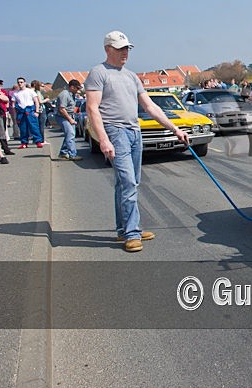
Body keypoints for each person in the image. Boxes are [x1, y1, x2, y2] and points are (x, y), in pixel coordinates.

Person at [85, 30, 190, 253]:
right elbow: (92, 109)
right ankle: (132, 233)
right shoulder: (98, 73)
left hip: (134, 131)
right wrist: (103, 139)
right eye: (120, 48)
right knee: (128, 182)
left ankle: (125, 228)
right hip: (116, 132)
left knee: (128, 183)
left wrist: (175, 129)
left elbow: (150, 107)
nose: (125, 53)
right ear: (108, 49)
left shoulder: (131, 76)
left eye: (127, 49)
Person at [11, 77, 43, 148]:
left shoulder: (30, 91)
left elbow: (36, 101)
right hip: (21, 112)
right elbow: (13, 104)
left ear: (25, 83)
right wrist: (15, 113)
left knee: (34, 127)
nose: (20, 84)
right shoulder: (16, 93)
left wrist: (37, 112)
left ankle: (38, 141)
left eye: (21, 82)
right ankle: (24, 142)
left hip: (30, 111)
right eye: (18, 82)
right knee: (23, 128)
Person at [55, 79, 82, 161]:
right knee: (70, 134)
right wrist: (70, 119)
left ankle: (63, 152)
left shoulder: (72, 94)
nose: (78, 90)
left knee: (70, 135)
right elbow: (62, 109)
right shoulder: (64, 94)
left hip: (70, 116)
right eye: (77, 88)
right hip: (63, 117)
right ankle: (72, 154)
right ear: (71, 87)